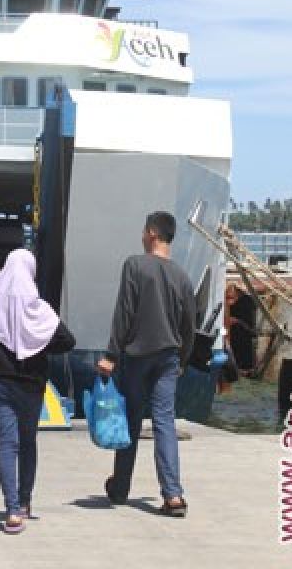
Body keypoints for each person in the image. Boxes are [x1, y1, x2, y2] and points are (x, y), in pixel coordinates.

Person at [0, 248, 75, 534]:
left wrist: (0, 337)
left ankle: (11, 510)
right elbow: (67, 341)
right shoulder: (39, 309)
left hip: (0, 384)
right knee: (28, 444)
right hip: (32, 387)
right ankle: (24, 502)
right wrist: (36, 341)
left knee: (6, 445)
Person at [96, 211, 196, 518]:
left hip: (138, 355)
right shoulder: (182, 275)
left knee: (130, 420)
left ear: (152, 232)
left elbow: (124, 312)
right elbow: (189, 323)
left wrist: (111, 355)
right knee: (164, 422)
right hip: (169, 357)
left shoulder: (135, 266)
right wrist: (183, 358)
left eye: (143, 231)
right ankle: (173, 494)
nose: (141, 236)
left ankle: (120, 487)